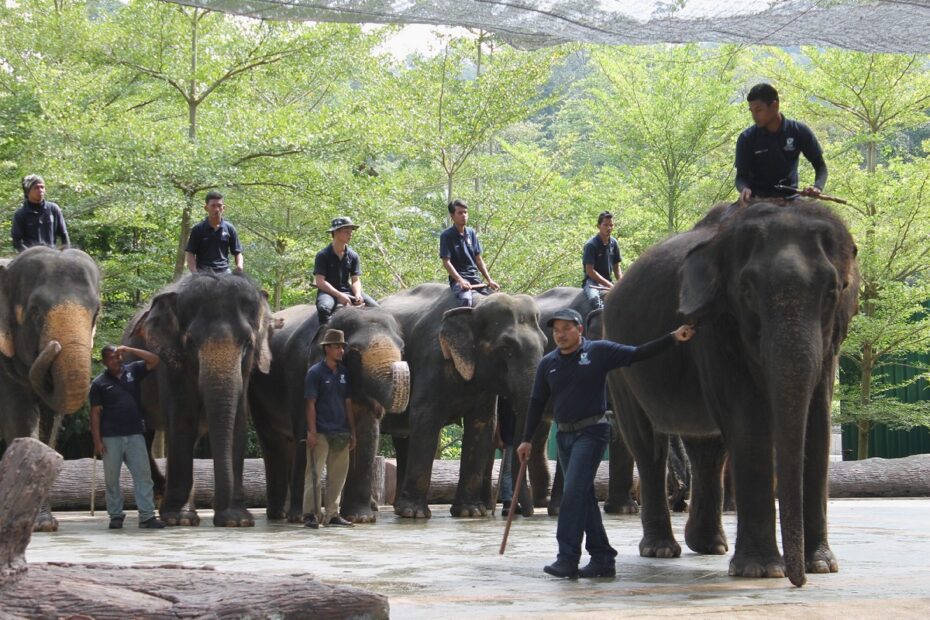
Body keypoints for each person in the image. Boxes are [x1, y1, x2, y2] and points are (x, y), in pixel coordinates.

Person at [516, 308, 694, 579]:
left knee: (572, 493)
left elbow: (637, 354)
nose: (560, 335)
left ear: (580, 329)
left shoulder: (598, 352)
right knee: (584, 496)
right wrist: (526, 439)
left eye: (566, 328)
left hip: (592, 432)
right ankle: (602, 558)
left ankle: (567, 558)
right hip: (564, 436)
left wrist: (672, 338)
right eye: (556, 330)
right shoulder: (548, 363)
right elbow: (537, 402)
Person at [89, 344, 166, 530]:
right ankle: (116, 515)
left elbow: (154, 360)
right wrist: (97, 441)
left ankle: (147, 516)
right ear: (104, 362)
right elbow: (95, 414)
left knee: (144, 476)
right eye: (111, 358)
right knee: (111, 479)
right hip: (110, 437)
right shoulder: (98, 383)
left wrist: (130, 349)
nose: (116, 360)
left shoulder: (133, 371)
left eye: (117, 356)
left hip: (135, 435)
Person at [735, 83, 828, 206]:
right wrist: (744, 189)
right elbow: (740, 177)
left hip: (791, 199)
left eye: (758, 110)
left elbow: (820, 166)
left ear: (775, 105)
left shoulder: (799, 131)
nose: (754, 116)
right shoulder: (746, 138)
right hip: (757, 202)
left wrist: (817, 187)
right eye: (752, 111)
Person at [303, 328, 357, 529]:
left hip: (341, 431)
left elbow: (348, 403)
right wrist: (311, 432)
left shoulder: (344, 373)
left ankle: (332, 514)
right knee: (314, 475)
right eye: (336, 347)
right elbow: (310, 403)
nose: (341, 351)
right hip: (320, 431)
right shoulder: (315, 373)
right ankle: (311, 514)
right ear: (327, 349)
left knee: (338, 476)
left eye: (342, 347)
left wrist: (352, 431)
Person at [314, 216, 378, 325]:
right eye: (346, 232)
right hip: (328, 293)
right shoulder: (323, 255)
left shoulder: (353, 256)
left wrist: (357, 294)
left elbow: (355, 280)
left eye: (351, 231)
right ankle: (325, 333)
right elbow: (320, 282)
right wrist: (339, 295)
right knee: (324, 308)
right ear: (336, 232)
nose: (350, 234)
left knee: (376, 308)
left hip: (348, 291)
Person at [439, 198, 499, 308]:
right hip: (459, 280)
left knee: (497, 300)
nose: (464, 215)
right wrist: (460, 280)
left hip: (475, 278)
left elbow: (478, 259)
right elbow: (446, 262)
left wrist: (489, 280)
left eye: (465, 212)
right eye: (460, 213)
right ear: (452, 216)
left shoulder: (471, 233)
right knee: (466, 299)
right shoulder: (446, 235)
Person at [185, 191, 243, 274]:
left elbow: (237, 252)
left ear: (223, 208)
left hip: (224, 272)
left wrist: (240, 266)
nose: (217, 209)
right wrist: (194, 273)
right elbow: (190, 253)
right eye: (213, 206)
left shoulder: (230, 228)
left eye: (219, 206)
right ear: (206, 208)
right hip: (203, 272)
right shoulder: (198, 229)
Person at [11, 174, 70, 252]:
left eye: (42, 187)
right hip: (30, 256)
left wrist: (65, 253)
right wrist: (30, 254)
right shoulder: (21, 214)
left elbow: (64, 234)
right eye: (36, 188)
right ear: (28, 191)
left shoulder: (53, 209)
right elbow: (16, 242)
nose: (40, 190)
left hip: (52, 254)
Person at [582, 211, 623, 313]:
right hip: (592, 282)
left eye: (611, 225)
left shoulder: (614, 243)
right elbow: (590, 271)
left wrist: (622, 283)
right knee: (595, 301)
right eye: (605, 225)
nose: (609, 228)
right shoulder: (591, 245)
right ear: (598, 226)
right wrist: (609, 285)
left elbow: (616, 268)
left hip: (608, 281)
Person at [493, 396, 516, 516]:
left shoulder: (520, 397)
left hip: (519, 439)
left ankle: (515, 500)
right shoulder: (501, 398)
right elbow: (496, 419)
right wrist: (499, 439)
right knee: (507, 470)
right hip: (507, 440)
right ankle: (507, 501)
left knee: (516, 470)